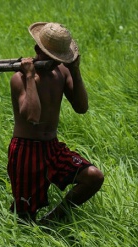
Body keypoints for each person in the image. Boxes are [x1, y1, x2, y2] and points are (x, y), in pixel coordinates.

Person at [7, 22, 104, 223]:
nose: (54, 62)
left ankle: (52, 221)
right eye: (50, 57)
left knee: (93, 177)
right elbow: (32, 116)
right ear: (37, 51)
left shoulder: (62, 72)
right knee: (24, 218)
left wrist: (75, 71)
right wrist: (31, 77)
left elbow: (81, 107)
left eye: (58, 58)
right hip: (26, 151)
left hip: (52, 147)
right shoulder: (19, 78)